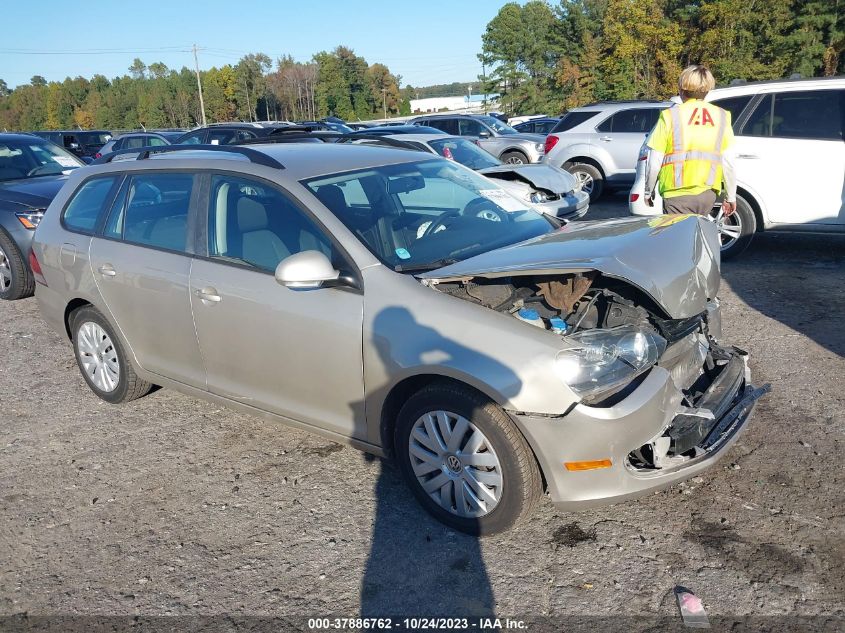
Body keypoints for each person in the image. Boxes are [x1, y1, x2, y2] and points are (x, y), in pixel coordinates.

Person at [645, 65, 737, 216]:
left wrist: (648, 191)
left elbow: (654, 160)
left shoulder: (669, 116)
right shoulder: (722, 116)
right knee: (696, 236)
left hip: (676, 194)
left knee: (678, 238)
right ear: (706, 91)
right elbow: (728, 162)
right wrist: (731, 196)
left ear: (681, 90)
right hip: (708, 193)